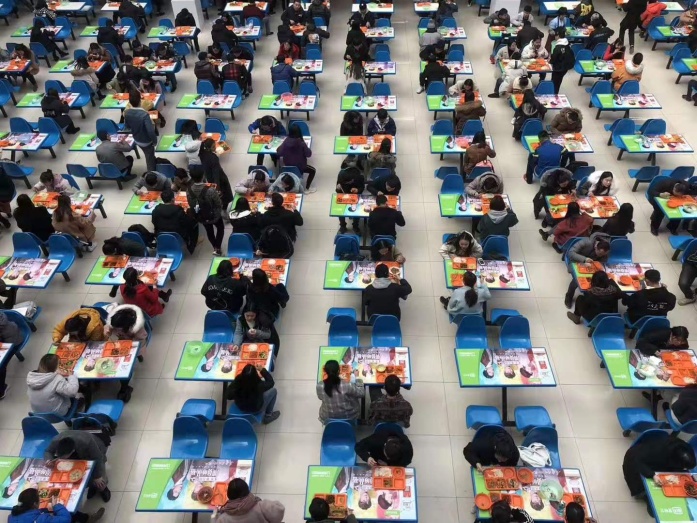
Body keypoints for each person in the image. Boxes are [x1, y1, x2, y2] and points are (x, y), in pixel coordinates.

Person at [623, 436, 695, 514]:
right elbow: (637, 461)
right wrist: (652, 475)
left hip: (658, 458)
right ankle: (646, 497)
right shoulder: (659, 451)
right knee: (643, 488)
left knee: (679, 477)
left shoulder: (685, 449)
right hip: (634, 460)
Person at [44, 431, 111, 502]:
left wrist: (98, 476)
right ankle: (92, 486)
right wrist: (49, 459)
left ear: (72, 450)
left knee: (100, 480)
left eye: (64, 457)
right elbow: (48, 451)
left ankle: (103, 489)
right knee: (80, 477)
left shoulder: (87, 442)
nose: (62, 459)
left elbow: (98, 457)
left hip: (96, 450)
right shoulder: (56, 441)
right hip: (77, 454)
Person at [564, 233, 611, 308]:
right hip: (576, 262)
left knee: (600, 278)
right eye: (600, 254)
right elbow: (571, 253)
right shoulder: (586, 242)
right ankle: (569, 296)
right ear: (596, 247)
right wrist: (584, 259)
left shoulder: (606, 249)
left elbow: (603, 261)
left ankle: (590, 296)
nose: (602, 255)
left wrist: (597, 265)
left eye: (603, 254)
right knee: (577, 280)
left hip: (593, 265)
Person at [9, 487, 104, 523]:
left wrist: (46, 510)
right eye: (39, 498)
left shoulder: (12, 516)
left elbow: (31, 515)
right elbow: (65, 519)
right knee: (69, 514)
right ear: (34, 504)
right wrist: (56, 506)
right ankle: (88, 519)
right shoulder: (41, 520)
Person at [187, 168, 224, 255]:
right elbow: (218, 203)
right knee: (220, 228)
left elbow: (190, 203)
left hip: (201, 215)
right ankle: (218, 247)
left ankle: (215, 246)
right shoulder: (210, 190)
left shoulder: (189, 190)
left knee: (209, 231)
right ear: (203, 176)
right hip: (214, 215)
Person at [213, 479, 285, 523]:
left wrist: (216, 516)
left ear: (229, 496)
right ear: (247, 491)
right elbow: (280, 510)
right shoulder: (262, 507)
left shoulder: (223, 519)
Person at [152, 189, 199, 253]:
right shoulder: (178, 210)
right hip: (178, 235)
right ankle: (191, 246)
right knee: (194, 224)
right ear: (172, 199)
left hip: (161, 234)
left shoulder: (156, 210)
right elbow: (187, 223)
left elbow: (154, 222)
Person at [123, 90, 157, 172]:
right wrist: (155, 141)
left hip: (136, 139)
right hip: (147, 141)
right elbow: (150, 131)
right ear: (140, 100)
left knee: (149, 155)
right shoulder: (144, 115)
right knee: (149, 159)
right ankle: (151, 174)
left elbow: (127, 126)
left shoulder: (126, 113)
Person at [200, 136, 235, 209]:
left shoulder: (202, 154)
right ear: (209, 148)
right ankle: (223, 209)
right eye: (213, 146)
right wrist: (217, 187)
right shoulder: (213, 158)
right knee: (225, 196)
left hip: (209, 177)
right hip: (220, 179)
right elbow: (216, 174)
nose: (215, 147)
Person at [277, 124, 316, 189]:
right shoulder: (301, 143)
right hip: (300, 167)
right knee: (313, 171)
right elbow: (309, 154)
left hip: (287, 167)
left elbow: (279, 153)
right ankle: (307, 188)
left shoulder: (286, 141)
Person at [0, 312, 25, 400]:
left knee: (2, 366)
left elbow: (7, 345)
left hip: (13, 344)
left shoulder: (5, 327)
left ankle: (1, 390)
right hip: (6, 342)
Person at [336, 165, 365, 234]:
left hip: (355, 195)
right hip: (344, 194)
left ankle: (355, 226)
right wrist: (338, 188)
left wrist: (357, 190)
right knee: (340, 209)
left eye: (347, 182)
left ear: (352, 180)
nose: (345, 183)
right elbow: (337, 190)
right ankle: (343, 225)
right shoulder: (341, 176)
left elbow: (362, 187)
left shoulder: (359, 177)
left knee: (356, 209)